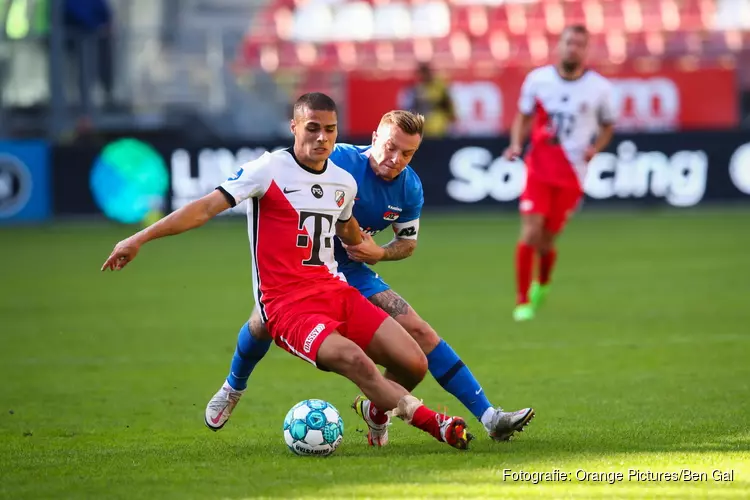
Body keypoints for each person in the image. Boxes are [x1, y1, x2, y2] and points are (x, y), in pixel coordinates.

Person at [101, 93, 472, 450]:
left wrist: (374, 249)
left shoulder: (344, 182)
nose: (322, 137)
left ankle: (377, 409)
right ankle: (436, 423)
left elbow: (349, 231)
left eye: (330, 129)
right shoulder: (268, 169)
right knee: (353, 360)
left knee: (413, 362)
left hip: (334, 289)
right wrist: (140, 238)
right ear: (293, 126)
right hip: (286, 304)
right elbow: (203, 208)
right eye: (312, 128)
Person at [205, 110, 535, 445]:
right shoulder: (340, 160)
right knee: (262, 322)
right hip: (303, 268)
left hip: (350, 271)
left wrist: (379, 253)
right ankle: (234, 386)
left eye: (407, 153)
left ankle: (486, 417)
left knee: (420, 332)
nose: (396, 159)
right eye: (391, 148)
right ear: (375, 138)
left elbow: (407, 243)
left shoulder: (410, 188)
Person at [503, 25, 616, 322]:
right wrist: (516, 143)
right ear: (559, 46)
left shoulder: (599, 88)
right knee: (530, 232)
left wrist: (596, 148)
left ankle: (544, 282)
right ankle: (523, 299)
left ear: (585, 49)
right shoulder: (538, 80)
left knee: (547, 241)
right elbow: (523, 117)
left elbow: (608, 126)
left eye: (579, 44)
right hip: (538, 168)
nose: (572, 48)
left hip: (572, 174)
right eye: (568, 42)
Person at [400, 63, 456, 138]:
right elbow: (408, 109)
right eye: (422, 73)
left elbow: (448, 103)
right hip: (422, 128)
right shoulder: (414, 90)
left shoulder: (439, 87)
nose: (424, 76)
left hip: (439, 126)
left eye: (426, 72)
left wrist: (452, 116)